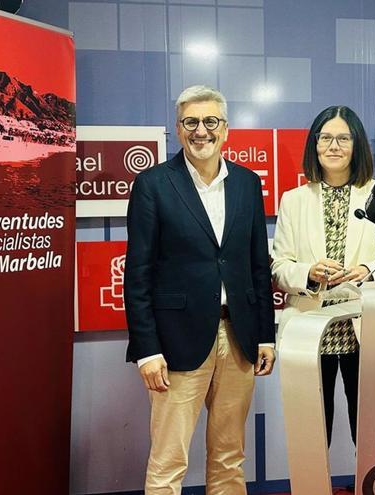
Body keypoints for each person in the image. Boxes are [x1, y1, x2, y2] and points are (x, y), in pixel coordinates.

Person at [124, 85, 275, 495]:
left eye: (211, 122)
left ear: (226, 129)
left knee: (229, 456)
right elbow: (137, 274)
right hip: (175, 344)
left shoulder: (247, 183)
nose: (201, 131)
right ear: (178, 129)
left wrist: (265, 334)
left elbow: (258, 266)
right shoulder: (153, 184)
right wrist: (146, 350)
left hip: (238, 338)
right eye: (191, 122)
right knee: (168, 461)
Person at [271, 105, 375, 448]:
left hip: (366, 328)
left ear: (357, 145)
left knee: (371, 434)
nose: (333, 146)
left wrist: (369, 270)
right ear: (314, 144)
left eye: (343, 138)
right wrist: (309, 271)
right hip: (310, 328)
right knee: (311, 433)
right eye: (325, 138)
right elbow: (280, 266)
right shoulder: (294, 200)